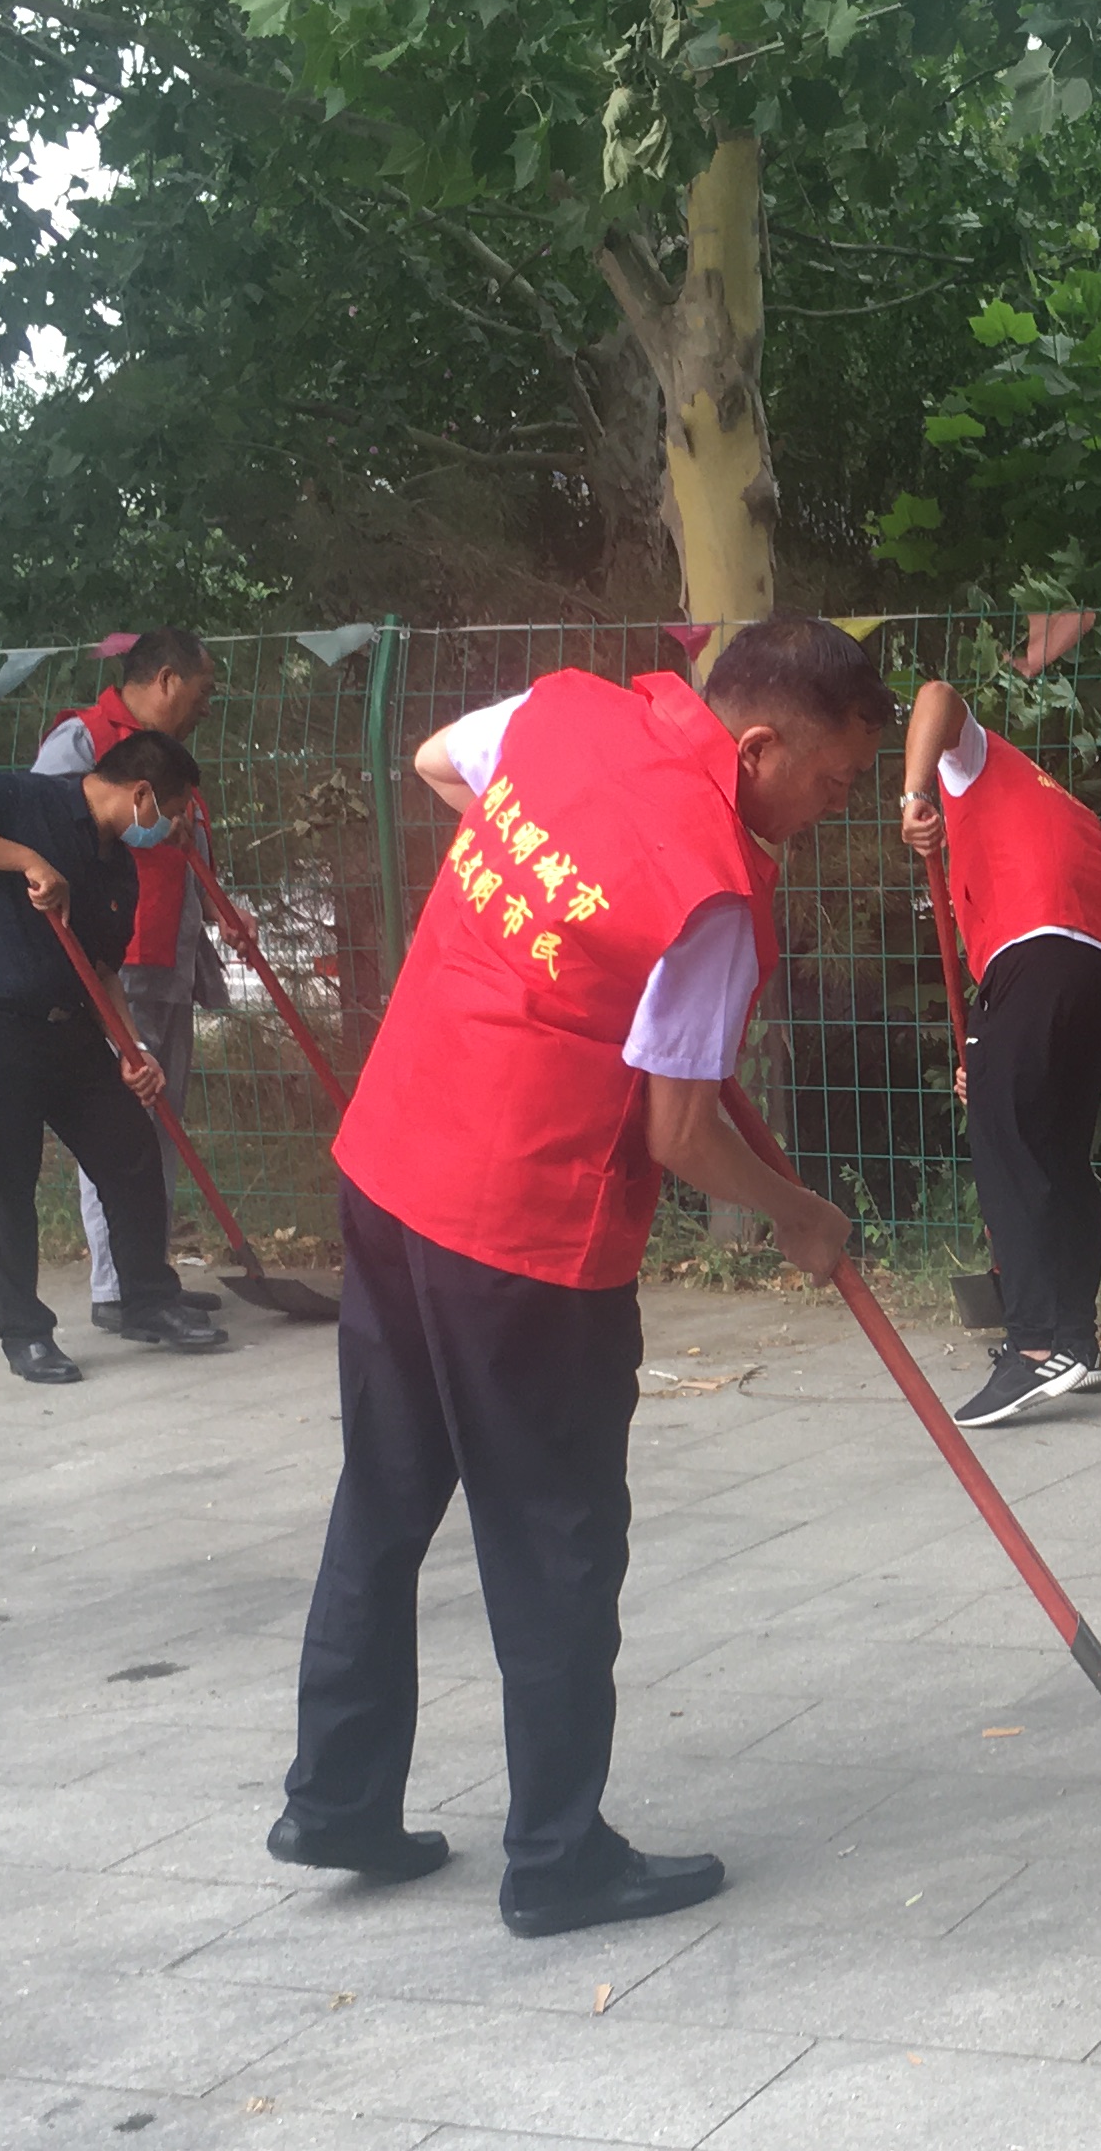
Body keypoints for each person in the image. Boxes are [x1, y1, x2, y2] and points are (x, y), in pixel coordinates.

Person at [271, 619, 892, 1940]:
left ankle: (337, 1801)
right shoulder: (712, 898)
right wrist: (801, 1215)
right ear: (761, 746)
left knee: (382, 1496)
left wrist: (560, 928)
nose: (832, 810)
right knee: (554, 1539)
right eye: (834, 781)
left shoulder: (566, 712)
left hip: (394, 1164)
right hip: (524, 1230)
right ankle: (558, 1858)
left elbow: (441, 763)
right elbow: (681, 1133)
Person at [0, 730, 235, 1383]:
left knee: (130, 1146)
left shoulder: (119, 866)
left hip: (68, 1026)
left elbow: (103, 969)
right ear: (142, 794)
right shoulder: (23, 799)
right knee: (6, 1182)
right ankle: (25, 1335)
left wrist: (131, 1048)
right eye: (171, 813)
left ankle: (147, 1301)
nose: (171, 830)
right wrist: (25, 859)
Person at [895, 678, 1101, 1424]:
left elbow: (935, 693)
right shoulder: (1050, 803)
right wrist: (993, 1058)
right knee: (1056, 1148)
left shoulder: (973, 762)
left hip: (1039, 937)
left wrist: (913, 795)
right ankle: (1076, 1345)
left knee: (1004, 1136)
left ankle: (1032, 1345)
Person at [35, 632, 230, 1331]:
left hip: (171, 954)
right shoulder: (84, 742)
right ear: (167, 680)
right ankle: (119, 1287)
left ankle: (150, 1275)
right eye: (202, 693)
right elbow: (51, 832)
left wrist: (220, 912)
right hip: (119, 958)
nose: (205, 708)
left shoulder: (169, 761)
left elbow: (188, 848)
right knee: (125, 1125)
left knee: (162, 1124)